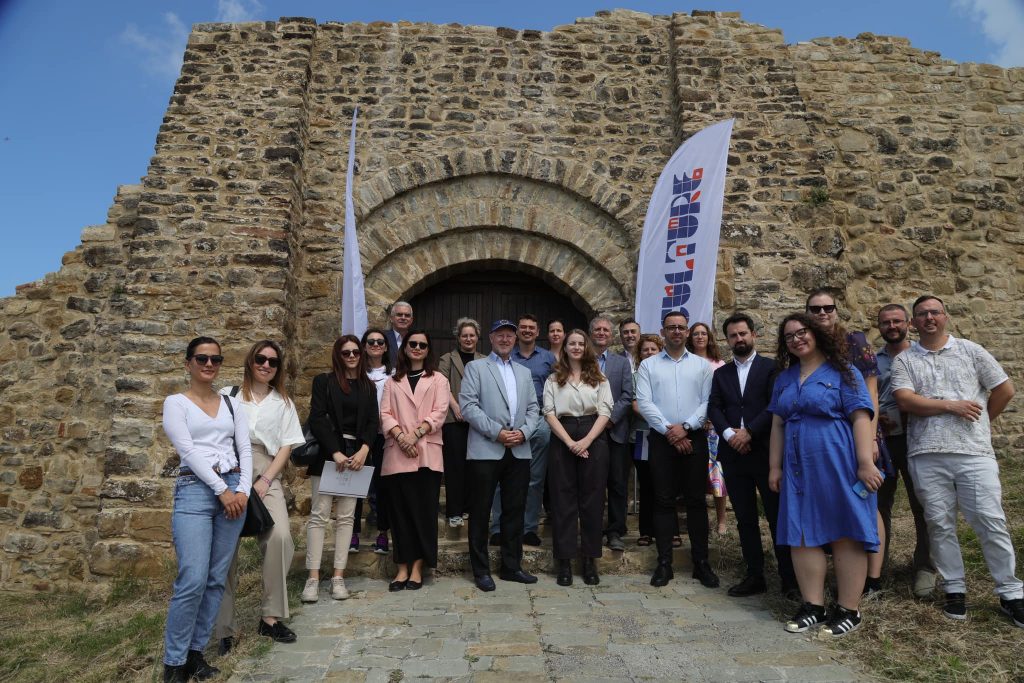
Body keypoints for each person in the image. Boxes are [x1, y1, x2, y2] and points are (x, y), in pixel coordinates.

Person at [892, 295, 1023, 627]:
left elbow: (1004, 388)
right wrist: (952, 406)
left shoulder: (971, 351)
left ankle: (1010, 593)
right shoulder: (905, 360)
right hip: (926, 453)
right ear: (913, 323)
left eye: (935, 312)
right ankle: (954, 589)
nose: (929, 318)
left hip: (973, 454)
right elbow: (906, 400)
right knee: (939, 524)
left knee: (990, 521)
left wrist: (981, 422)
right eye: (922, 314)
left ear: (945, 317)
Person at [769, 313, 882, 637]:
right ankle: (813, 606)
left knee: (845, 531)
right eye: (789, 336)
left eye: (801, 332)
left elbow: (861, 417)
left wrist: (865, 462)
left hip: (838, 461)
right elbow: (778, 424)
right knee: (802, 533)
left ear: (817, 334)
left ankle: (848, 609)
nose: (796, 339)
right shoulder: (784, 378)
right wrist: (774, 467)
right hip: (797, 468)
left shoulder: (845, 372)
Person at [161, 337, 251, 683]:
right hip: (195, 491)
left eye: (215, 359)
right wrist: (222, 490)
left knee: (215, 579)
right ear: (188, 363)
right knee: (193, 578)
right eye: (202, 358)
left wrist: (242, 491)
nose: (209, 364)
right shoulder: (176, 403)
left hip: (234, 491)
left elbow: (244, 448)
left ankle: (195, 654)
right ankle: (174, 663)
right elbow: (188, 451)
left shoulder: (232, 404)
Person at [214, 341, 305, 654]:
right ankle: (224, 628)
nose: (266, 365)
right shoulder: (228, 395)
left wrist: (266, 479)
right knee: (225, 547)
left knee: (280, 537)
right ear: (250, 361)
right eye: (261, 359)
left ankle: (270, 617)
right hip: (230, 468)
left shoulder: (284, 403)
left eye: (273, 362)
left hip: (266, 468)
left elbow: (287, 446)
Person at [805, 289, 889, 596]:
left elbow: (871, 393)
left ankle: (873, 578)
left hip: (860, 434)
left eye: (828, 307)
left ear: (836, 311)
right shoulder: (806, 345)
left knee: (866, 502)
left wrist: (871, 438)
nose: (822, 313)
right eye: (816, 309)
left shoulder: (855, 342)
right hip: (828, 442)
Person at [707, 314, 797, 599]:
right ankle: (754, 575)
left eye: (743, 333)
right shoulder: (721, 374)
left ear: (753, 335)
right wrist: (730, 435)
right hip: (734, 455)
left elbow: (775, 405)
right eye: (733, 335)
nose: (739, 339)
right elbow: (714, 407)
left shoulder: (772, 368)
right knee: (745, 519)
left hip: (766, 452)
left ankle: (789, 579)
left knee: (776, 516)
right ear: (727, 340)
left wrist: (749, 433)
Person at [635, 311, 717, 589]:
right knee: (663, 500)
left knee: (696, 501)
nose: (677, 332)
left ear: (687, 331)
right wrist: (670, 431)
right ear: (663, 332)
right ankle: (664, 564)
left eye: (681, 327)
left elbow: (708, 401)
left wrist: (687, 426)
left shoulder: (702, 365)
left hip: (694, 438)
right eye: (671, 327)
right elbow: (644, 402)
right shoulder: (648, 365)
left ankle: (701, 564)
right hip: (662, 439)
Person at [459, 319, 542, 591]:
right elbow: (468, 407)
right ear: (491, 338)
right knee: (481, 511)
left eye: (509, 335)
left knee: (514, 511)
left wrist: (524, 433)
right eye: (500, 335)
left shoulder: (524, 372)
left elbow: (534, 409)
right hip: (486, 449)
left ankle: (511, 566)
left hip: (519, 450)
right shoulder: (476, 368)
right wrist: (497, 433)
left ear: (515, 340)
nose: (505, 339)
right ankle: (481, 570)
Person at [301, 336, 379, 604]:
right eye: (346, 352)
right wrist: (335, 451)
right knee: (319, 515)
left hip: (356, 456)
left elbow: (372, 421)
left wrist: (364, 450)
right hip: (328, 455)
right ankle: (312, 578)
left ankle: (338, 576)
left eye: (356, 351)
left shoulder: (368, 386)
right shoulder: (324, 382)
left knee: (346, 518)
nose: (352, 356)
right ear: (338, 355)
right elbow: (317, 417)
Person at [380, 330, 450, 591]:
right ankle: (401, 567)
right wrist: (401, 438)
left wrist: (415, 435)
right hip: (397, 453)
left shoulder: (439, 379)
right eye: (413, 344)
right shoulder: (392, 381)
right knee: (399, 514)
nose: (417, 348)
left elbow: (440, 412)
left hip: (427, 454)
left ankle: (418, 567)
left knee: (423, 513)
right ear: (405, 348)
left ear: (428, 349)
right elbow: (385, 413)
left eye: (422, 344)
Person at [874, 304, 935, 598]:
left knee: (922, 503)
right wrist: (876, 419)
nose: (892, 326)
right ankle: (877, 567)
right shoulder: (872, 361)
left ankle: (925, 567)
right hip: (882, 441)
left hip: (917, 438)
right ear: (879, 327)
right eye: (886, 322)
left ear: (908, 324)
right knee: (878, 505)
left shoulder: (922, 356)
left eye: (897, 321)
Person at [544, 329, 612, 586]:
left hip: (593, 435)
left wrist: (586, 441)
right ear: (565, 348)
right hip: (563, 435)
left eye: (580, 343)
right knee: (563, 500)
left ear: (586, 347)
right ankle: (564, 561)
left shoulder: (599, 378)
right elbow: (549, 412)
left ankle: (589, 561)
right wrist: (570, 442)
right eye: (571, 343)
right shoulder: (554, 379)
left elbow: (605, 411)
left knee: (593, 500)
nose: (575, 347)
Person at [490, 314, 557, 547]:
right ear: (517, 332)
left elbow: (557, 387)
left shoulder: (548, 358)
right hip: (508, 424)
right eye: (523, 327)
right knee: (501, 478)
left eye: (532, 328)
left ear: (538, 332)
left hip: (538, 422)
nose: (527, 331)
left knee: (535, 479)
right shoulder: (506, 356)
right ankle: (498, 528)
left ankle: (529, 528)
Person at [590, 315, 634, 552]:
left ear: (611, 335)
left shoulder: (621, 363)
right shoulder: (582, 359)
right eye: (597, 329)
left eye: (606, 330)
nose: (602, 333)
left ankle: (616, 530)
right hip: (588, 432)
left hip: (615, 431)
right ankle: (593, 529)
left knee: (617, 483)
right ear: (591, 333)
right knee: (592, 484)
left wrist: (608, 419)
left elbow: (627, 395)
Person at [438, 318, 485, 528]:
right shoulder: (447, 359)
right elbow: (443, 385)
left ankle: (469, 508)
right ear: (458, 338)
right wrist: (457, 407)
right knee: (455, 466)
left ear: (477, 337)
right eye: (464, 335)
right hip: (453, 419)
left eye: (471, 335)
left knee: (475, 467)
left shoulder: (485, 360)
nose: (468, 339)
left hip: (478, 422)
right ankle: (454, 512)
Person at [686, 321, 728, 536]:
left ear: (709, 338)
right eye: (696, 334)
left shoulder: (719, 364)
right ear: (690, 338)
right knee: (692, 475)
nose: (700, 337)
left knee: (717, 475)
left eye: (704, 333)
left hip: (713, 428)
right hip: (691, 426)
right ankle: (696, 520)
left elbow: (723, 397)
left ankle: (721, 520)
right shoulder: (685, 362)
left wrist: (715, 419)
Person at [630, 334, 667, 547]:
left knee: (667, 483)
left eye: (654, 349)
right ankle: (646, 530)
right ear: (639, 354)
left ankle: (670, 531)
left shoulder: (668, 374)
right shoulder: (635, 377)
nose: (649, 353)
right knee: (646, 483)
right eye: (645, 350)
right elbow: (636, 405)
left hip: (667, 435)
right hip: (642, 435)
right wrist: (660, 421)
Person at [361, 327, 394, 554]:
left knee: (383, 486)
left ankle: (383, 532)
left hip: (384, 436)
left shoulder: (394, 375)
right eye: (371, 341)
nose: (375, 345)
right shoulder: (356, 373)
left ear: (386, 347)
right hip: (361, 436)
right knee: (356, 483)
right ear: (364, 346)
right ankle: (353, 533)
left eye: (380, 342)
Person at [387, 301, 414, 367]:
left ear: (411, 320)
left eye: (407, 315)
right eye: (399, 315)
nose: (403, 318)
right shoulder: (382, 337)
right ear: (391, 318)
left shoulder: (416, 339)